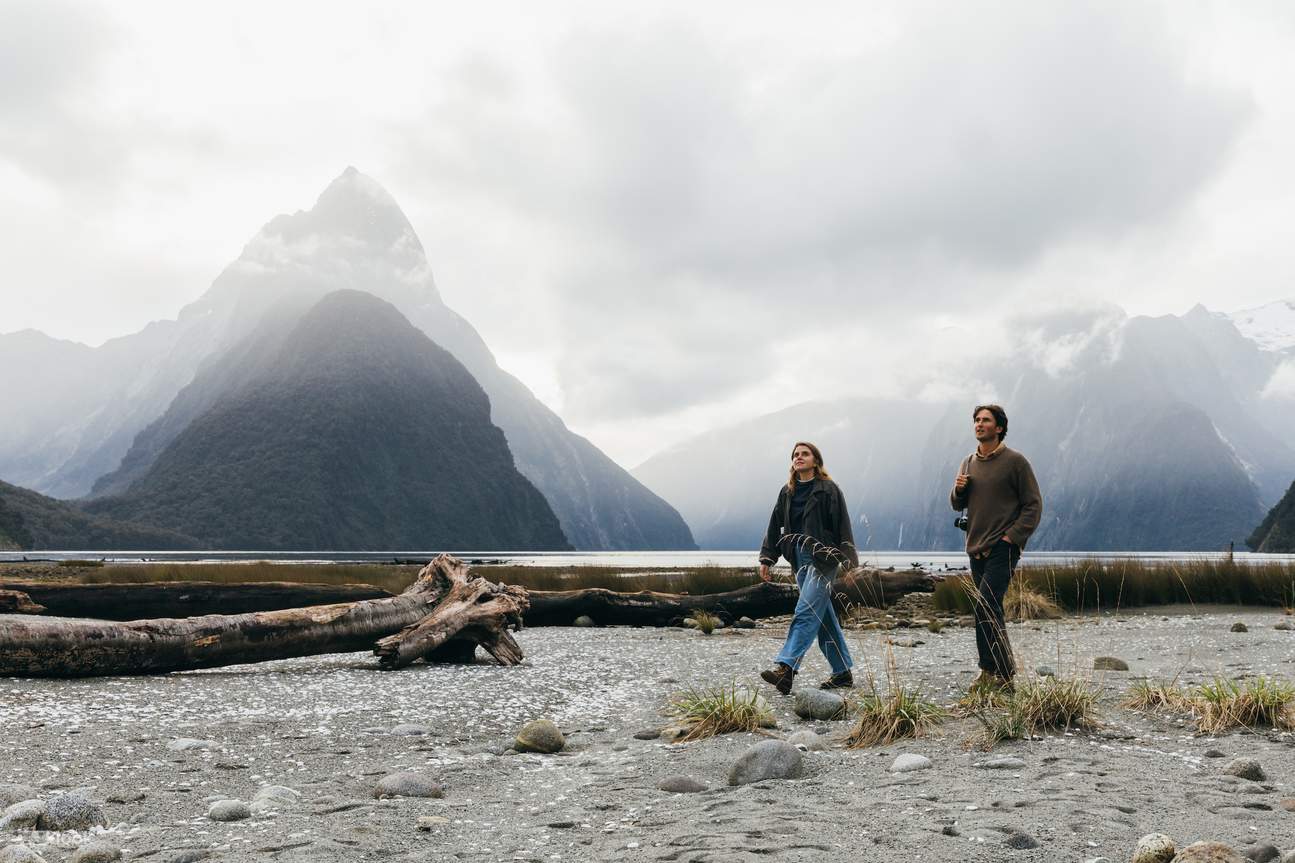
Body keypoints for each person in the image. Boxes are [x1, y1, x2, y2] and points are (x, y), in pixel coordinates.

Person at [949, 404, 1043, 690]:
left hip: (1003, 548)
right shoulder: (967, 463)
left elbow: (1033, 505)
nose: (979, 424)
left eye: (986, 420)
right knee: (988, 608)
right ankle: (995, 672)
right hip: (975, 547)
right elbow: (957, 504)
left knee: (986, 605)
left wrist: (1011, 538)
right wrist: (958, 490)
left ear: (999, 428)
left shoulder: (1016, 462)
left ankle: (998, 673)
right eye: (976, 420)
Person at [757, 442, 859, 695]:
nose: (799, 457)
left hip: (823, 558)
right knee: (822, 615)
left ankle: (786, 668)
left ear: (816, 460)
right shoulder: (787, 491)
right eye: (795, 455)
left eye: (805, 454)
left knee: (806, 610)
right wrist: (767, 558)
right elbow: (774, 525)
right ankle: (842, 672)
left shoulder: (828, 489)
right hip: (798, 558)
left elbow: (843, 525)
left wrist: (849, 562)